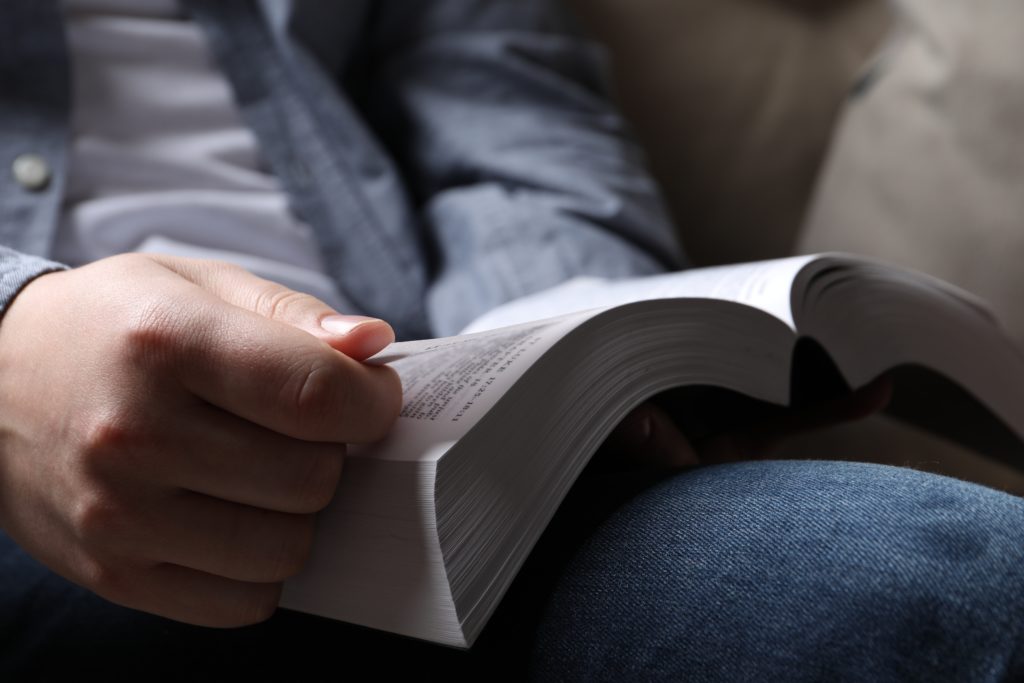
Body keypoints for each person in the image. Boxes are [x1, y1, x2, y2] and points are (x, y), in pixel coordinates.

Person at [1, 1, 1022, 680]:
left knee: (946, 580)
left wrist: (571, 370)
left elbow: (515, 127)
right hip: (35, 475)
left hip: (401, 421)